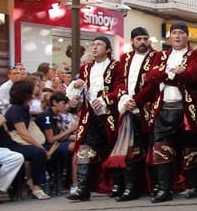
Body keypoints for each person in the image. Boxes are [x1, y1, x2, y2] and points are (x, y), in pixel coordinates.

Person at [134, 23, 197, 202]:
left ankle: (194, 186)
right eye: (174, 33)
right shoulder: (160, 56)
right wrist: (174, 74)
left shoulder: (196, 54)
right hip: (164, 108)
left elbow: (195, 75)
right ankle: (164, 189)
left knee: (190, 148)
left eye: (181, 33)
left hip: (186, 109)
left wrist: (174, 75)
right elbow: (151, 76)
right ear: (169, 37)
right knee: (161, 148)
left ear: (187, 36)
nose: (177, 36)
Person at [108, 27, 159, 202]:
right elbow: (119, 82)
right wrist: (124, 98)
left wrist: (136, 100)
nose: (142, 42)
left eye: (145, 38)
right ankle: (131, 187)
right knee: (132, 150)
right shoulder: (125, 58)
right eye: (139, 39)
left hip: (149, 109)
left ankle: (155, 186)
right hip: (129, 108)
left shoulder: (156, 56)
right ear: (132, 41)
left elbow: (153, 84)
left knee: (153, 148)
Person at [66, 37, 118, 201]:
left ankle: (117, 184)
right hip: (90, 115)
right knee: (85, 148)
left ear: (108, 49)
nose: (94, 47)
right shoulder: (86, 68)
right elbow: (78, 90)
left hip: (110, 115)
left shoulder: (116, 66)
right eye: (93, 45)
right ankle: (83, 188)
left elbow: (120, 88)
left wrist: (104, 99)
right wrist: (76, 86)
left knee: (113, 148)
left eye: (99, 45)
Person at [0, 79, 50, 200]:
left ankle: (34, 181)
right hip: (11, 143)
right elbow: (23, 133)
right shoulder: (15, 110)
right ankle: (36, 186)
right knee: (39, 152)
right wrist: (39, 146)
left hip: (19, 141)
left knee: (44, 150)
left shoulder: (24, 108)